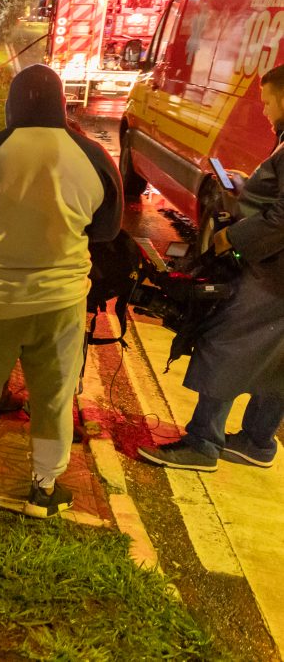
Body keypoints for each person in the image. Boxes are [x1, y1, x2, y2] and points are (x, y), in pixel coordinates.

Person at [0, 64, 122, 518]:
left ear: (11, 104)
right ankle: (44, 488)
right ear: (62, 105)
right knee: (53, 397)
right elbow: (106, 231)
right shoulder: (94, 155)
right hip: (61, 301)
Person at [139, 63, 284, 472]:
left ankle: (203, 443)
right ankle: (258, 441)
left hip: (271, 275)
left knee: (226, 342)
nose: (264, 109)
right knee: (277, 356)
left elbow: (282, 218)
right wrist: (249, 186)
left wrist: (229, 239)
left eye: (269, 100)